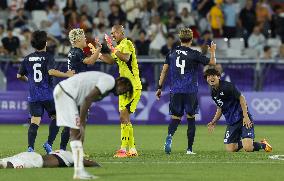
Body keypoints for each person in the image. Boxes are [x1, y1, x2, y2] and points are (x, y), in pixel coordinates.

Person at [53, 71, 133, 179]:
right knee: (76, 133)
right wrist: (81, 122)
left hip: (65, 92)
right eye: (125, 89)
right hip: (67, 94)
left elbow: (85, 100)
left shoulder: (107, 85)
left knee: (76, 132)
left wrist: (82, 124)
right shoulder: (109, 81)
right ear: (121, 82)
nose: (123, 93)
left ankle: (79, 169)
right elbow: (88, 98)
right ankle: (79, 171)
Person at [155, 28, 216, 155]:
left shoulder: (171, 53)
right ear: (191, 39)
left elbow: (164, 71)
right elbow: (212, 63)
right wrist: (212, 52)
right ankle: (189, 149)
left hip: (176, 90)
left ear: (180, 38)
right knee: (191, 118)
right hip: (190, 90)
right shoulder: (194, 53)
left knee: (175, 117)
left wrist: (159, 87)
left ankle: (170, 136)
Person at [16, 30, 74, 153]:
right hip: (48, 94)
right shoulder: (48, 57)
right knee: (57, 117)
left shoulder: (27, 58)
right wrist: (66, 74)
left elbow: (19, 75)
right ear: (45, 43)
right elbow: (51, 72)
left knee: (35, 121)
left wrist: (29, 81)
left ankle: (30, 148)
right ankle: (48, 144)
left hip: (33, 96)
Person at [204, 68, 272, 153]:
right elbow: (220, 107)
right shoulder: (213, 93)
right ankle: (245, 142)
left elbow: (241, 98)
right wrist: (214, 121)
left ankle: (264, 145)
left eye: (213, 76)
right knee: (231, 149)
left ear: (218, 77)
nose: (211, 78)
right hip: (231, 122)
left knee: (248, 148)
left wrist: (246, 116)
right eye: (208, 77)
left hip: (242, 118)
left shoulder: (227, 86)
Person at [99, 25, 142, 158]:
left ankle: (125, 149)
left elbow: (126, 58)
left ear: (121, 32)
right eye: (111, 34)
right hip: (124, 87)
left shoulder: (127, 43)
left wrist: (112, 47)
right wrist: (98, 53)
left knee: (124, 117)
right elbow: (112, 61)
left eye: (114, 33)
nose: (112, 36)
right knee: (124, 118)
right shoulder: (118, 47)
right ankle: (132, 149)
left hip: (133, 86)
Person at [0, 150, 100, 169]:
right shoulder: (69, 156)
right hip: (35, 160)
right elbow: (91, 163)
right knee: (10, 165)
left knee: (8, 162)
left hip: (30, 157)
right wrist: (98, 166)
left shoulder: (64, 154)